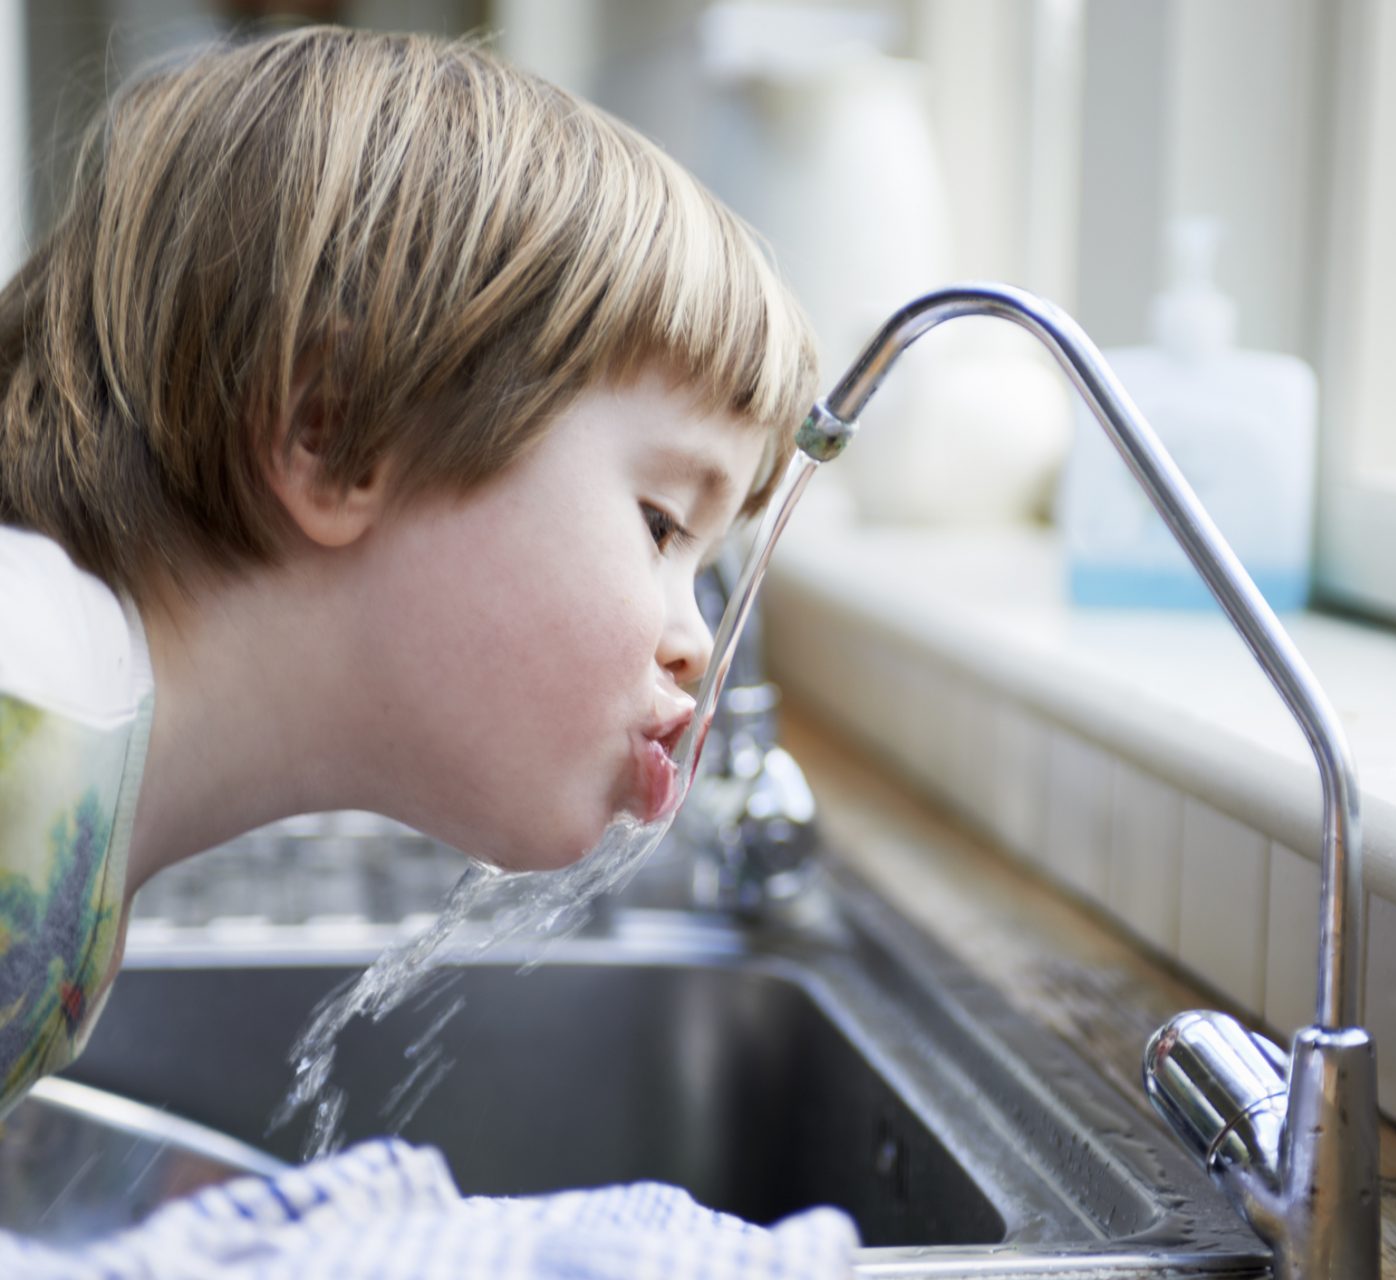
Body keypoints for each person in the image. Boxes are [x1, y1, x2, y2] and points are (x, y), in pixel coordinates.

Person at [0, 24, 817, 1122]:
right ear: (334, 436)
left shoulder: (77, 786)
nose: (696, 643)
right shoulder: (29, 702)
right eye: (663, 525)